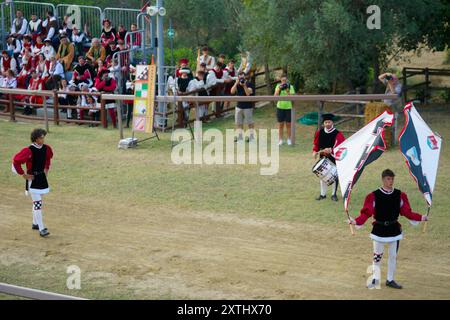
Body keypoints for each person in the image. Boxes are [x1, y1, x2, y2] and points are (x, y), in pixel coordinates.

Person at [349, 169, 428, 289]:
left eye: (392, 179)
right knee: (377, 256)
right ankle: (375, 279)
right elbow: (366, 213)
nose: (390, 181)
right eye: (388, 179)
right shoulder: (373, 196)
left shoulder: (399, 195)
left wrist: (422, 217)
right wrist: (355, 221)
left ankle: (390, 279)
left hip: (394, 231)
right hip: (379, 230)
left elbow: (407, 212)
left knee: (393, 257)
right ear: (383, 179)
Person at [12, 128, 54, 237]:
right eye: (41, 137)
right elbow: (16, 161)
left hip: (41, 178)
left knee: (37, 203)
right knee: (38, 203)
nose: (43, 139)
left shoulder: (46, 148)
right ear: (35, 139)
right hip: (33, 180)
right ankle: (41, 228)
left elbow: (48, 159)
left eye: (43, 137)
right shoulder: (28, 150)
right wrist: (23, 174)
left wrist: (46, 169)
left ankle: (35, 223)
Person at [312, 113, 345, 201]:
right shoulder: (320, 132)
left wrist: (331, 150)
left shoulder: (338, 134)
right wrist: (315, 151)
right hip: (323, 157)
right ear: (323, 123)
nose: (327, 124)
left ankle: (334, 194)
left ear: (332, 122)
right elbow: (316, 144)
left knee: (334, 175)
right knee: (322, 175)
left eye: (329, 122)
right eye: (326, 122)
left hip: (333, 158)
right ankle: (323, 194)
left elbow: (342, 147)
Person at [231, 72, 256, 142]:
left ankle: (252, 137)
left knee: (250, 123)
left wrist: (244, 85)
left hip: (248, 106)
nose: (241, 79)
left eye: (242, 77)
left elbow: (248, 94)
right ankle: (240, 137)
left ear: (245, 77)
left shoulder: (249, 84)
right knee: (239, 123)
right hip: (239, 106)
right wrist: (236, 83)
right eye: (240, 77)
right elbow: (232, 92)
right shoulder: (237, 84)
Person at [274, 75, 296, 146]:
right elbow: (275, 96)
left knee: (288, 124)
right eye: (282, 80)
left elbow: (293, 97)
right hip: (280, 107)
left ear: (287, 80)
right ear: (280, 80)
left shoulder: (290, 86)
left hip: (288, 107)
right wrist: (279, 89)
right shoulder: (278, 86)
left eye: (285, 80)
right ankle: (280, 140)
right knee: (280, 125)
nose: (284, 82)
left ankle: (289, 139)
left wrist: (287, 89)